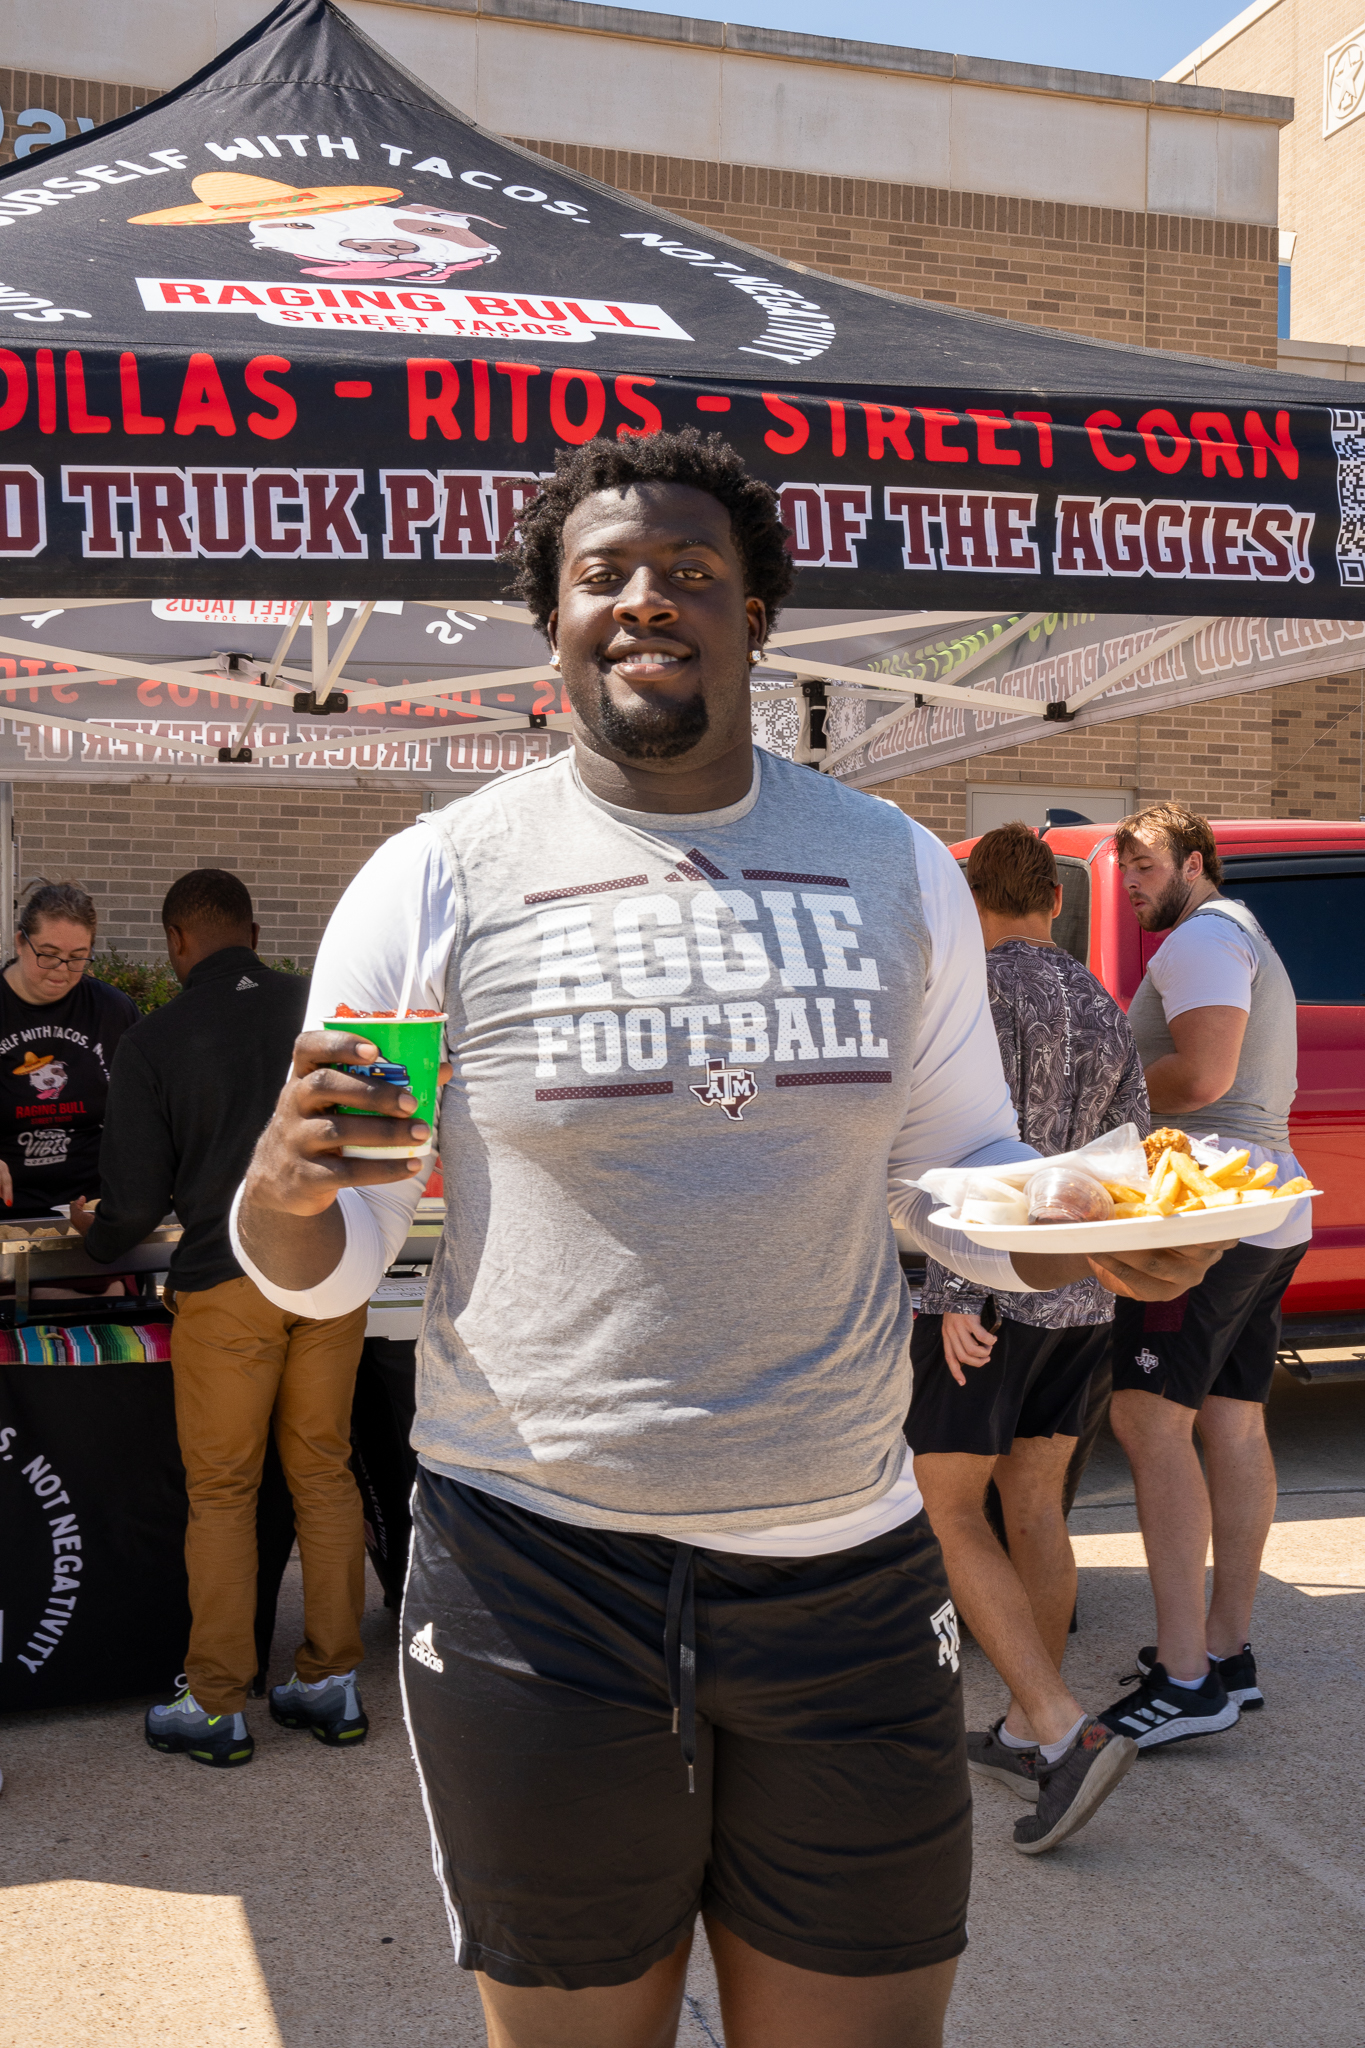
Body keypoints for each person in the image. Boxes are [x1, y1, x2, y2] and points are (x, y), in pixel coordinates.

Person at [231, 430, 1225, 2048]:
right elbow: (335, 1249)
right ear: (550, 618)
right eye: (602, 572)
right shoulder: (428, 889)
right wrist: (284, 1187)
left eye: (692, 568)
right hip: (533, 1574)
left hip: (842, 1569)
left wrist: (1087, 1240)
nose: (646, 597)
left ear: (756, 610)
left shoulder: (894, 866)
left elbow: (952, 1168)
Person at [73, 868, 370, 1768]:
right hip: (333, 1275)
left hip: (225, 1281)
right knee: (324, 1473)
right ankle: (329, 1682)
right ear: (251, 927)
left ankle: (214, 1701)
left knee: (223, 1494)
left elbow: (130, 1205)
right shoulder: (324, 1014)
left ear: (176, 944)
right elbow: (372, 1136)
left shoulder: (156, 1039)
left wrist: (94, 1232)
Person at [908, 823, 1149, 1854]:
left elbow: (971, 1150)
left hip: (988, 1299)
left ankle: (1056, 1725)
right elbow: (1129, 1153)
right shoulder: (1102, 998)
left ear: (972, 899)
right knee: (1037, 1508)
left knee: (951, 1510)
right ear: (1053, 899)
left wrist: (957, 1285)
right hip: (1082, 1300)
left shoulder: (979, 994)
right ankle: (1026, 1723)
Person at [1098, 802, 1311, 1750]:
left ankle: (1185, 1678)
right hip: (1266, 1210)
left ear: (1193, 861)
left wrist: (1095, 1094)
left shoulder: (1200, 941)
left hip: (1209, 1222)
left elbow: (1204, 1076)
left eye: (1142, 864)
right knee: (1231, 1418)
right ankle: (1225, 1656)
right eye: (1126, 867)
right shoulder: (1235, 934)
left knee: (1147, 1421)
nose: (1131, 881)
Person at [0, 880, 137, 1221]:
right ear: (20, 942)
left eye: (77, 958)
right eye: (48, 955)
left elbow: (150, 1105)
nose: (62, 970)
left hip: (91, 1205)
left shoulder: (112, 1010)